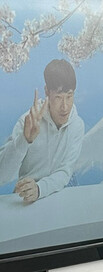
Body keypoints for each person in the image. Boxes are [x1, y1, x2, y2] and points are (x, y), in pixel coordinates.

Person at [0, 59, 85, 203]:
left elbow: (65, 171)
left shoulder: (77, 125)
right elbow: (2, 176)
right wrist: (24, 140)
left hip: (60, 193)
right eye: (58, 97)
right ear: (47, 92)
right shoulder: (27, 122)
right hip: (28, 197)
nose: (65, 107)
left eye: (69, 96)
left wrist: (40, 189)